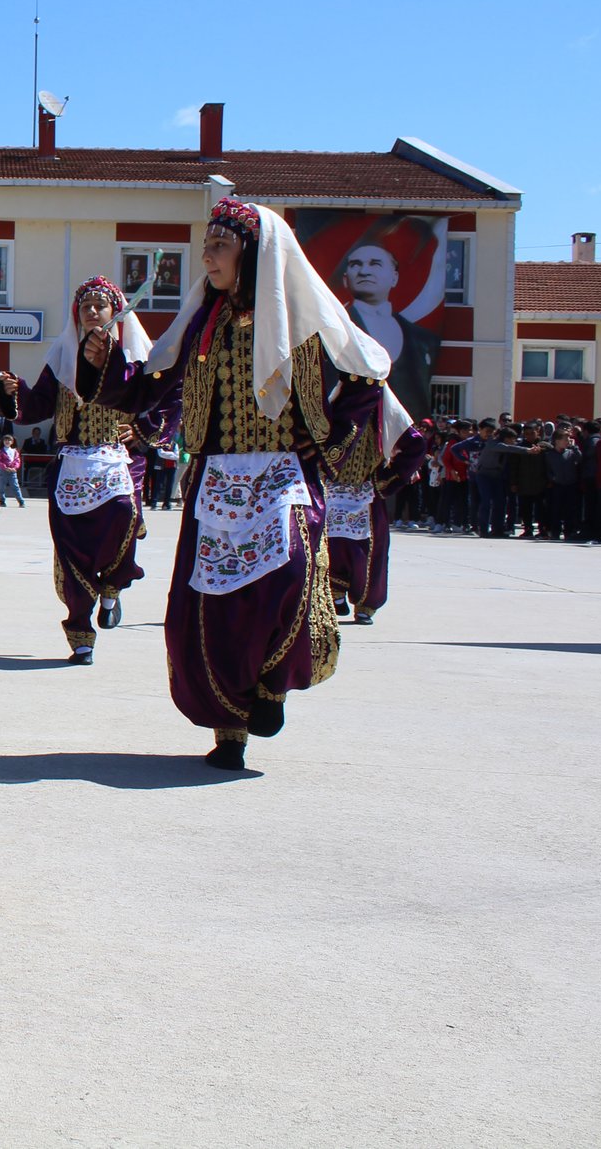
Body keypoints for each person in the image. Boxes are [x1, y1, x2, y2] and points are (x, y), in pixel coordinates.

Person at [90, 197, 394, 772]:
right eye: (206, 245)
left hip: (283, 475)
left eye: (220, 245)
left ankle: (272, 687)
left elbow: (367, 376)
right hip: (215, 481)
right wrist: (103, 361)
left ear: (252, 254)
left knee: (286, 583)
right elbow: (147, 388)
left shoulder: (303, 318)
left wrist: (327, 439)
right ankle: (229, 727)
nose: (207, 255)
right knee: (209, 606)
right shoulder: (201, 322)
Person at [0, 276, 174, 662]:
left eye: (100, 306)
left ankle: (112, 586)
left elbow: (166, 398)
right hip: (71, 465)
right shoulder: (61, 359)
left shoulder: (136, 358)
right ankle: (80, 632)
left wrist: (145, 430)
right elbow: (38, 406)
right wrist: (14, 394)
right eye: (85, 307)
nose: (92, 312)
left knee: (123, 520)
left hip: (116, 459)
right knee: (70, 550)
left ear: (116, 313)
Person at [325, 388, 428, 624]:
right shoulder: (336, 405)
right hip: (332, 490)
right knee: (332, 546)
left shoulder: (381, 408)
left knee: (369, 552)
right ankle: (335, 592)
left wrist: (385, 481)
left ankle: (366, 604)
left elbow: (415, 444)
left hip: (366, 494)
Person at [338, 241, 440, 423]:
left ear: (395, 278)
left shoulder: (423, 339)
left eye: (375, 264)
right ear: (346, 279)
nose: (364, 271)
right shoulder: (334, 328)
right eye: (356, 265)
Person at [0, 434, 25, 507]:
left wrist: (14, 468)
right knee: (2, 487)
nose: (7, 442)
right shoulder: (1, 451)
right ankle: (2, 501)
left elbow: (17, 460)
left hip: (12, 472)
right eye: (5, 440)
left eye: (9, 440)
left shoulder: (15, 451)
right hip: (3, 471)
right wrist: (5, 467)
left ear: (12, 442)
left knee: (15, 486)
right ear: (3, 441)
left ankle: (21, 501)